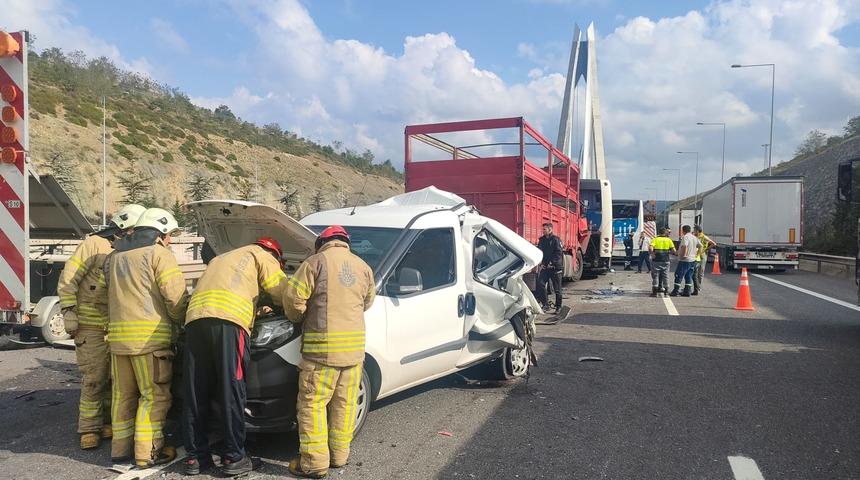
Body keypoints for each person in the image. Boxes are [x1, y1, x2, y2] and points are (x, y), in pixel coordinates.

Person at [181, 237, 288, 476]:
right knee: (231, 388)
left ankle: (195, 458)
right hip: (229, 324)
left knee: (196, 390)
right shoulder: (262, 255)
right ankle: (233, 457)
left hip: (195, 321)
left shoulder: (221, 258)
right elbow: (282, 293)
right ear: (275, 255)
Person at [283, 226, 375, 479]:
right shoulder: (363, 266)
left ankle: (313, 464)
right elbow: (368, 302)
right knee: (344, 405)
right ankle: (339, 456)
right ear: (344, 243)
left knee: (312, 405)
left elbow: (293, 300)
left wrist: (300, 316)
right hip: (354, 354)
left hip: (321, 353)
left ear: (321, 243)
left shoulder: (315, 263)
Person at [105, 208, 188, 467]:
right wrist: (182, 320)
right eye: (170, 235)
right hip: (149, 340)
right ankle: (147, 452)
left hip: (118, 342)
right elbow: (175, 298)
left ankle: (119, 448)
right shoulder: (159, 254)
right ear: (160, 233)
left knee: (123, 395)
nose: (171, 240)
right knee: (153, 396)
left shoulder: (114, 257)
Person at [58, 204, 146, 450]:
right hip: (89, 325)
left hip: (115, 325)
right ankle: (88, 428)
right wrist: (68, 312)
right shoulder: (94, 245)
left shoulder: (129, 248)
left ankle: (106, 422)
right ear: (125, 226)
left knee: (114, 378)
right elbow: (68, 279)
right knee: (94, 378)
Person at [535, 222, 564, 313]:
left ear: (550, 229)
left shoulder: (556, 240)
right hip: (545, 267)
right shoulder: (542, 240)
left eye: (544, 229)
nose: (543, 231)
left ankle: (558, 307)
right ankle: (545, 305)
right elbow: (539, 252)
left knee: (557, 289)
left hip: (555, 268)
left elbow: (559, 253)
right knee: (540, 284)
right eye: (542, 229)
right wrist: (541, 262)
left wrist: (552, 262)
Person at [670, 225, 700, 297]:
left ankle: (675, 291)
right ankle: (687, 291)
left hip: (685, 260)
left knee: (678, 275)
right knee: (688, 276)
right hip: (693, 260)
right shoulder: (694, 237)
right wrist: (697, 254)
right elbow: (700, 246)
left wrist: (683, 255)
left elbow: (685, 246)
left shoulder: (685, 237)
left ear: (683, 230)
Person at [649, 228, 676, 297]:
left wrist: (652, 254)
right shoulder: (669, 240)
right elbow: (674, 251)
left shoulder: (655, 239)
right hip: (666, 260)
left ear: (659, 232)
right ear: (665, 233)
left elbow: (650, 248)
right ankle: (666, 292)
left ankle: (654, 292)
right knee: (666, 276)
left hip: (656, 260)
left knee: (655, 276)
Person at [692, 225, 716, 296]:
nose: (694, 231)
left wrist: (706, 249)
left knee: (700, 272)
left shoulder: (704, 237)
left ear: (697, 230)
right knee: (694, 272)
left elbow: (713, 244)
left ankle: (698, 287)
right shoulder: (695, 236)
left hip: (702, 256)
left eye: (695, 230)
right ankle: (695, 287)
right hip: (696, 256)